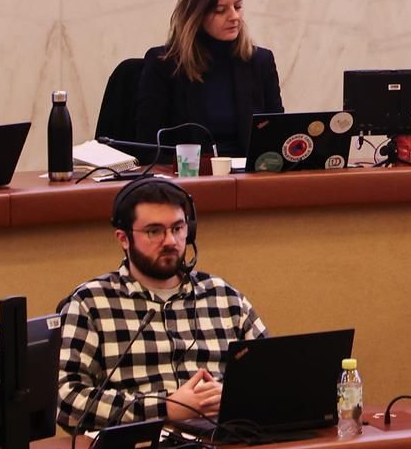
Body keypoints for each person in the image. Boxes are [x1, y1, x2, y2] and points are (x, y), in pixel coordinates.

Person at [57, 177, 267, 432]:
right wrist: (164, 408)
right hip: (140, 447)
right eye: (154, 231)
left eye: (177, 228)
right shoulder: (91, 303)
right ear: (124, 239)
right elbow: (66, 399)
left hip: (225, 441)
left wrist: (233, 395)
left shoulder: (224, 297)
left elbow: (274, 376)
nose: (170, 241)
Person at [136, 0, 283, 157]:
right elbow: (149, 147)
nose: (234, 16)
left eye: (238, 6)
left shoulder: (260, 61)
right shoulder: (165, 64)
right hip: (189, 173)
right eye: (220, 10)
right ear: (196, 14)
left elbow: (277, 139)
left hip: (249, 173)